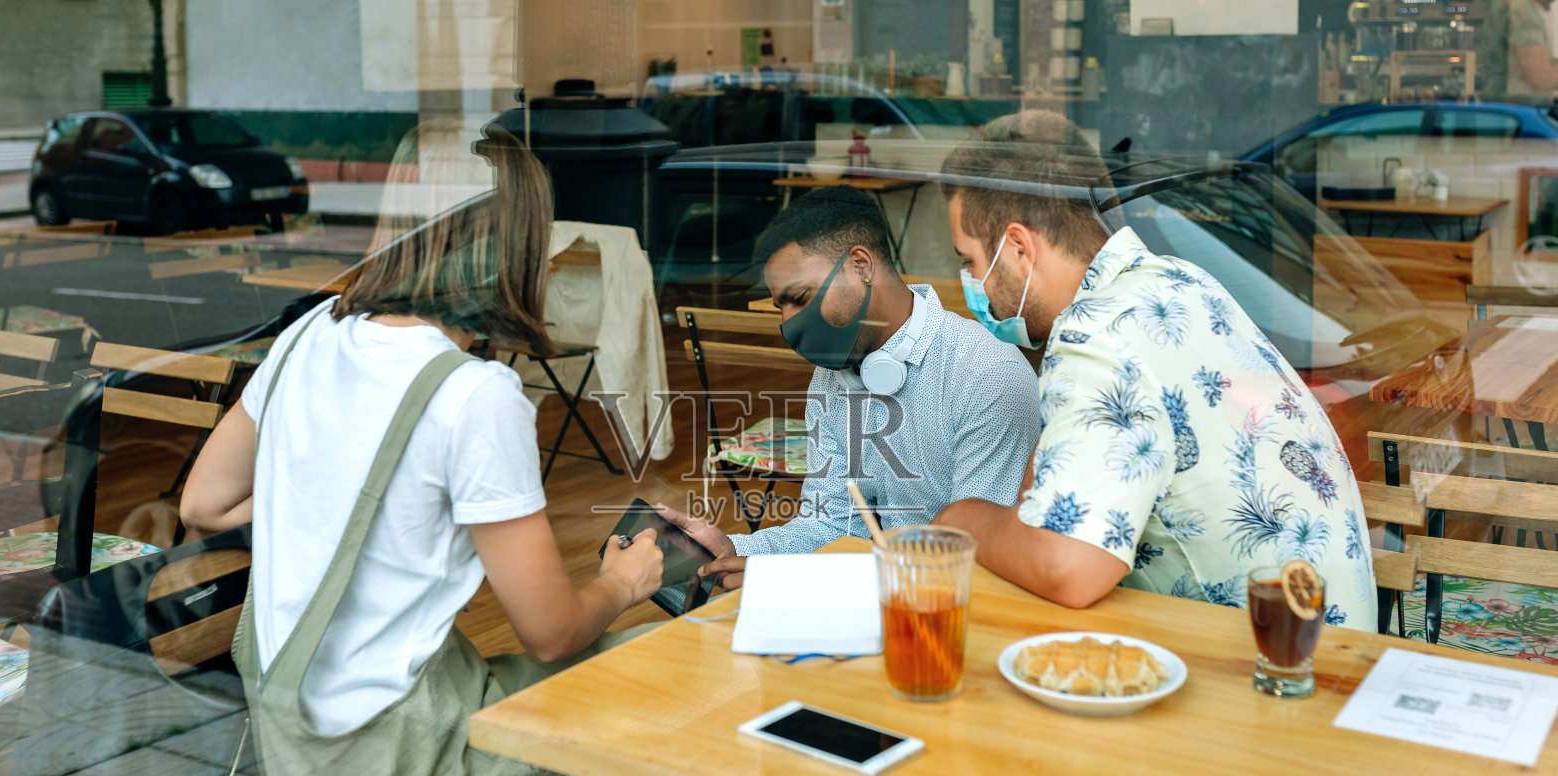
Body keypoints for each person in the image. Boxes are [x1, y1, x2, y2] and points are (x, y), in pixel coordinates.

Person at [180, 126, 724, 776]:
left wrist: (346, 486)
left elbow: (204, 503)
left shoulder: (308, 334)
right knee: (686, 745)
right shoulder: (471, 395)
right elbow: (551, 633)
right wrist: (625, 579)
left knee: (649, 677)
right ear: (515, 247)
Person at [933, 112, 1377, 629]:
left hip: (1269, 659)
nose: (972, 284)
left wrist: (958, 518)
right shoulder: (1179, 281)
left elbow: (1068, 566)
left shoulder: (1097, 334)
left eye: (969, 261)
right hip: (1330, 643)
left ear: (1018, 247)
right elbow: (1049, 493)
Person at [660, 186, 1039, 588]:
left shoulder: (986, 375)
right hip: (887, 595)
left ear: (860, 265)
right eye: (780, 307)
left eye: (800, 297)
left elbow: (975, 558)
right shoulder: (834, 376)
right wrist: (735, 550)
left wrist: (794, 576)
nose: (789, 324)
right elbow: (831, 527)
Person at [1480, 0, 1558, 103]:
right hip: (1520, 107)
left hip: (1500, 104)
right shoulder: (1521, 11)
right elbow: (1541, 77)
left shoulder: (1506, 5)